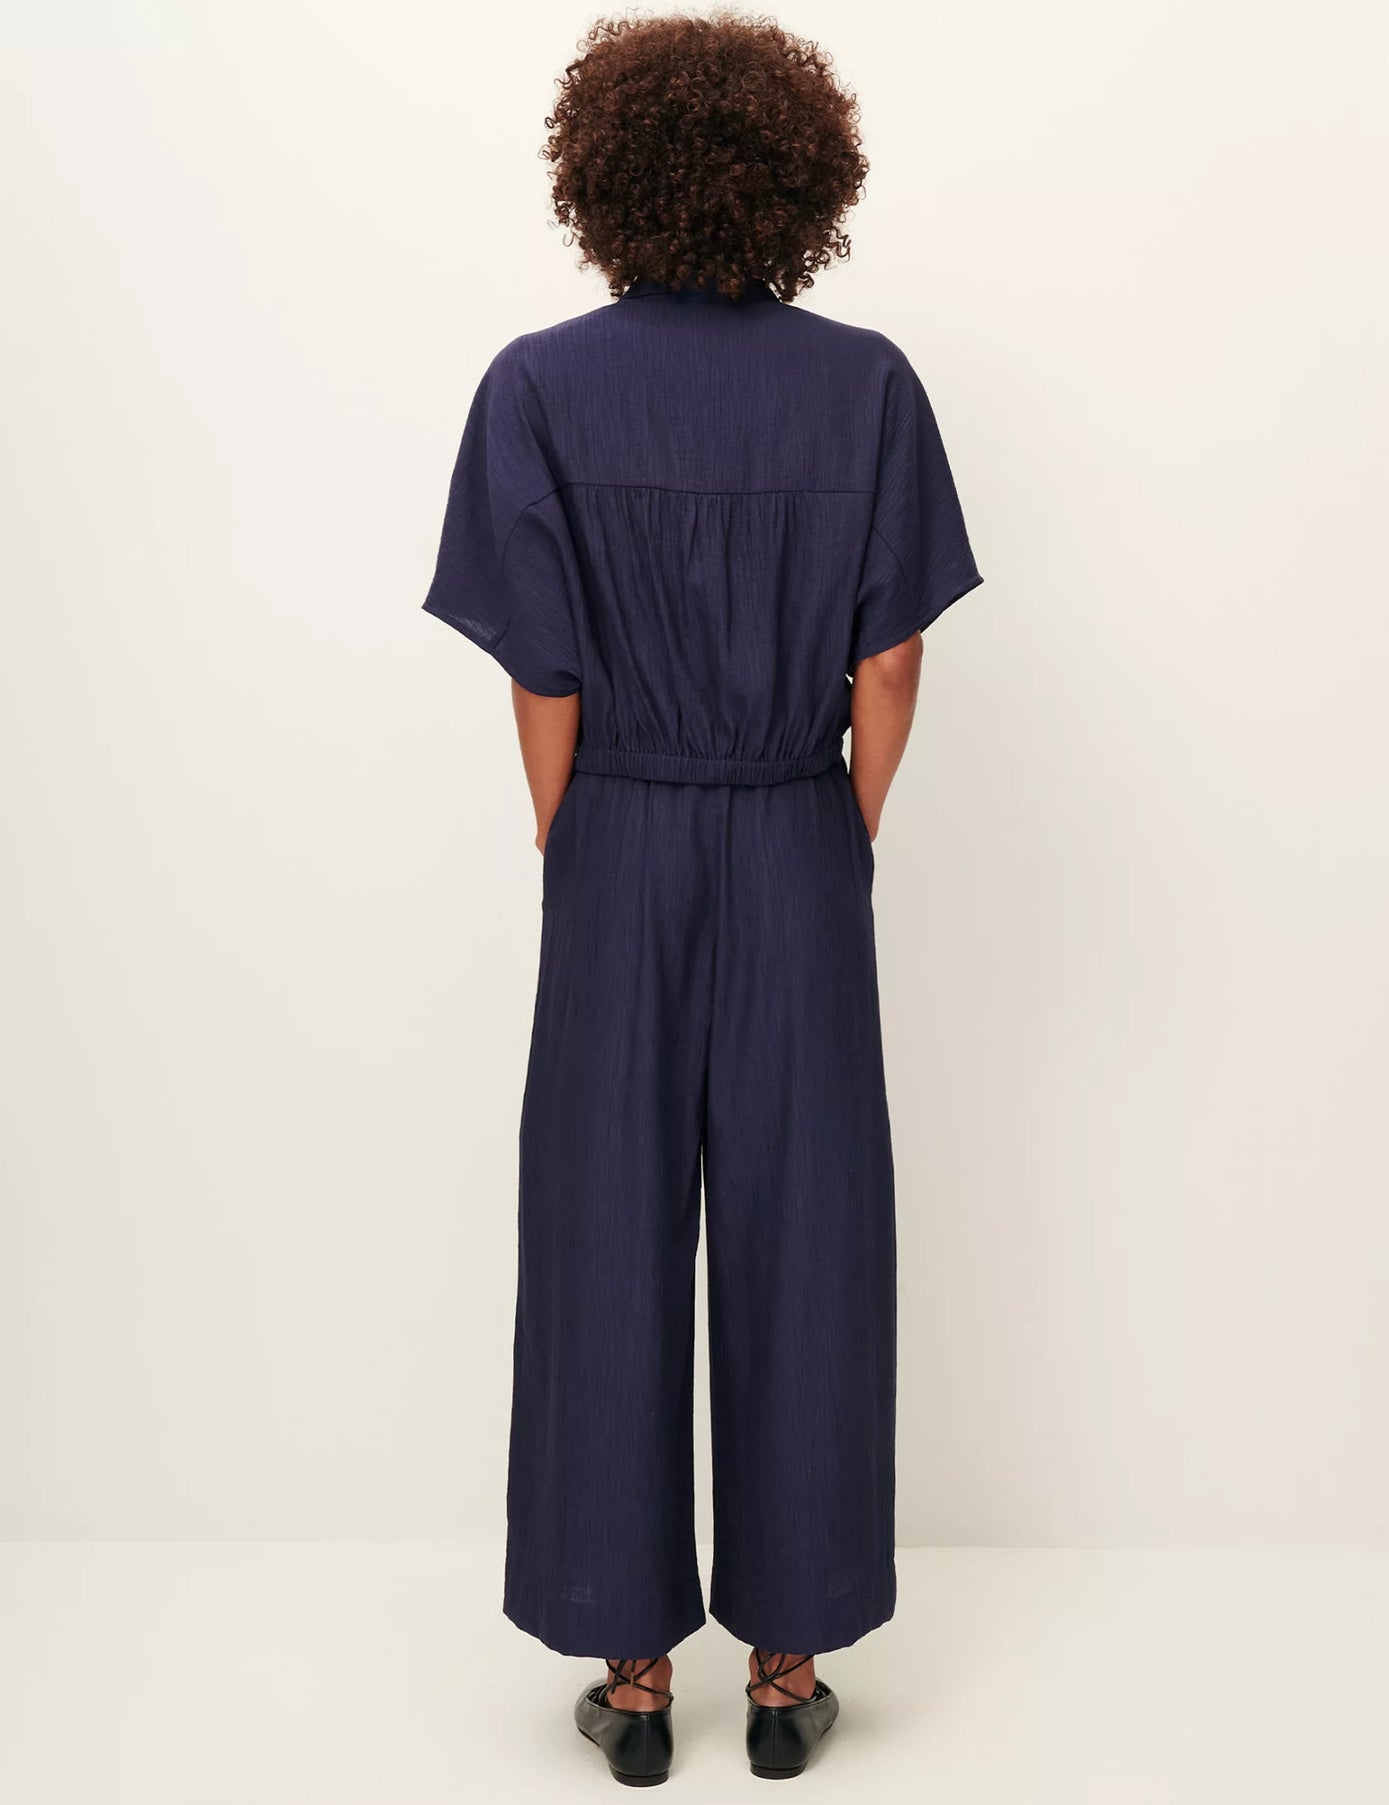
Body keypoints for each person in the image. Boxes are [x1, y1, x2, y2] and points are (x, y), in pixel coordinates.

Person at [421, 9, 982, 1786]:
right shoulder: (866, 385)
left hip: (619, 832)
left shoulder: (536, 386)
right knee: (808, 1221)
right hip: (794, 826)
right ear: (796, 181)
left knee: (602, 1216)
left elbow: (542, 666)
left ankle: (636, 1674)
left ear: (603, 179)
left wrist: (573, 833)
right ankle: (789, 1667)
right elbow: (888, 658)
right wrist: (835, 823)